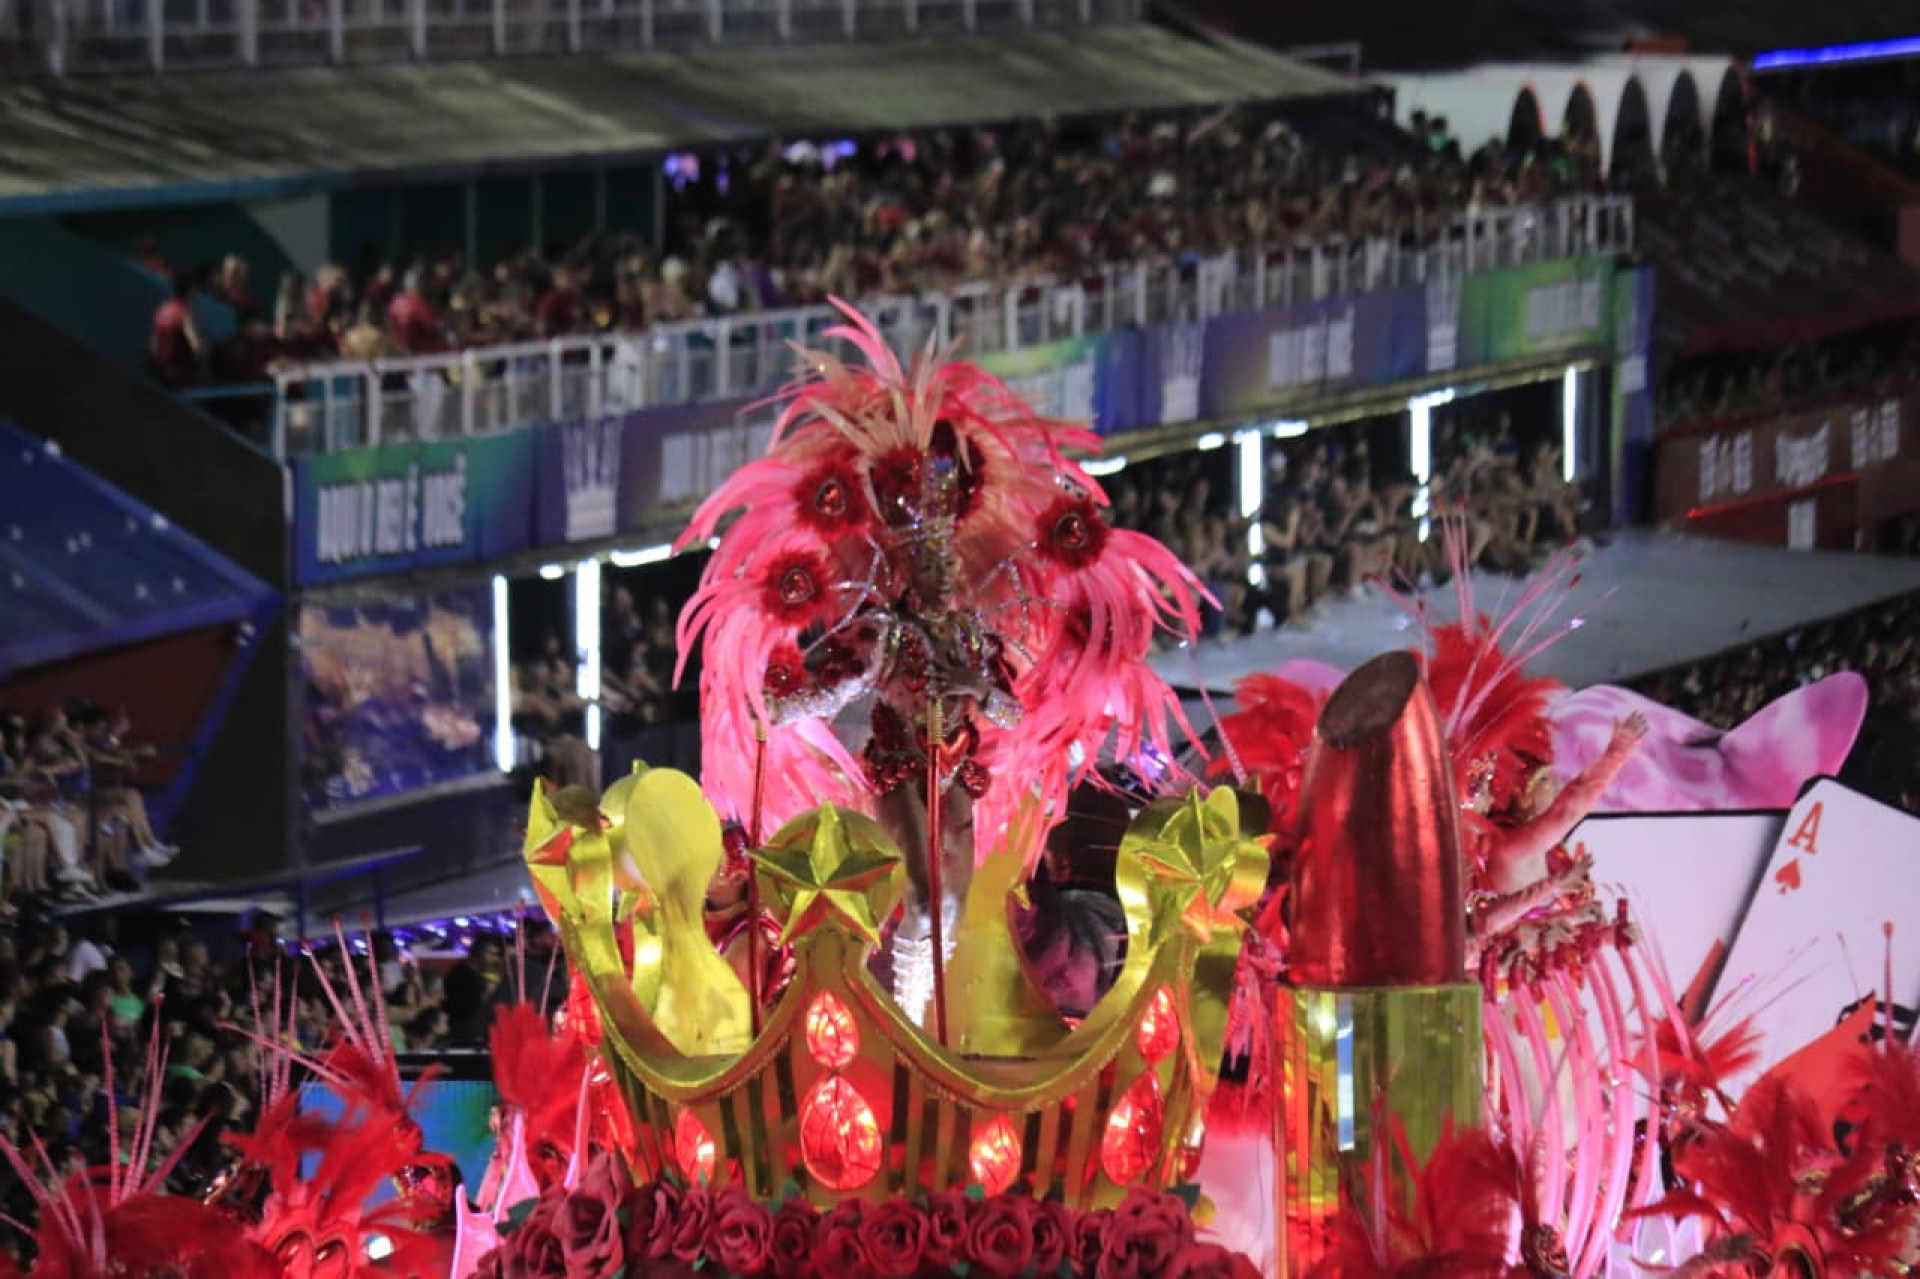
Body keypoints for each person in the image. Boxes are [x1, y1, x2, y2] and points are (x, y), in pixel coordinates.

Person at [150, 273, 207, 388]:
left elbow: (153, 344)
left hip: (159, 372)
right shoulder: (185, 313)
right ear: (191, 291)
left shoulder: (163, 309)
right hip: (179, 377)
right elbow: (196, 347)